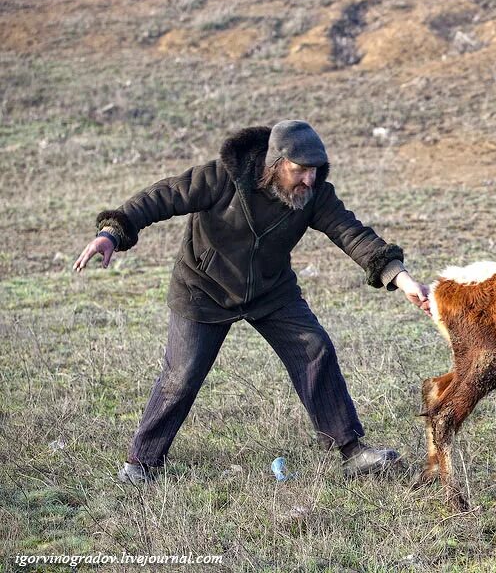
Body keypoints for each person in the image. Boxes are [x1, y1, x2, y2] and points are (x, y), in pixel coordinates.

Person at [74, 120, 430, 483]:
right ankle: (141, 464)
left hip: (270, 291)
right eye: (299, 170)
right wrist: (111, 234)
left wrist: (400, 278)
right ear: (275, 162)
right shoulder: (219, 178)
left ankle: (351, 452)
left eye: (315, 170)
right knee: (181, 376)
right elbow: (160, 197)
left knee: (314, 349)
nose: (309, 179)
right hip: (203, 289)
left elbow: (351, 233)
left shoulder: (314, 195)